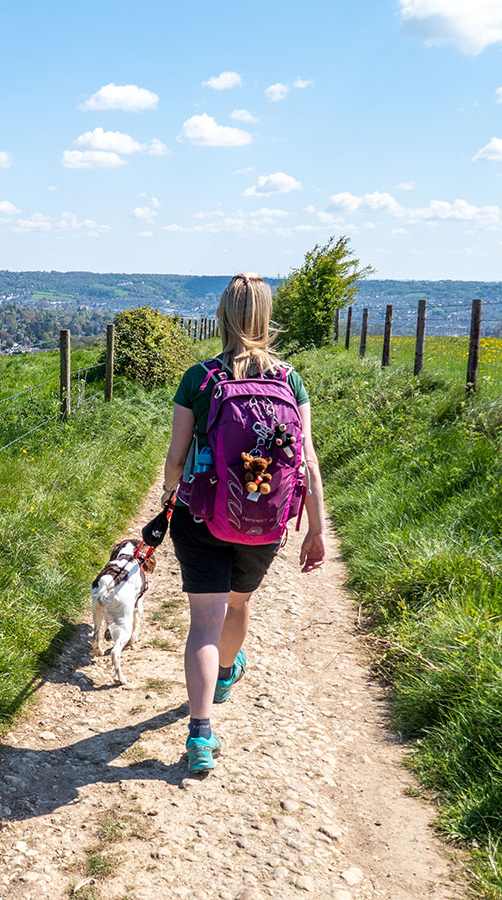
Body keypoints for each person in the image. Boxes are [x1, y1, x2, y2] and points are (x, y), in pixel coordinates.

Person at [161, 272, 327, 773]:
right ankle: (229, 670)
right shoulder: (288, 379)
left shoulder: (200, 378)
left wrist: (170, 500)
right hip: (264, 516)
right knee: (238, 604)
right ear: (266, 317)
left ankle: (200, 735)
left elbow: (175, 458)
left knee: (202, 625)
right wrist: (316, 528)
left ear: (222, 315)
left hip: (202, 514)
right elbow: (307, 461)